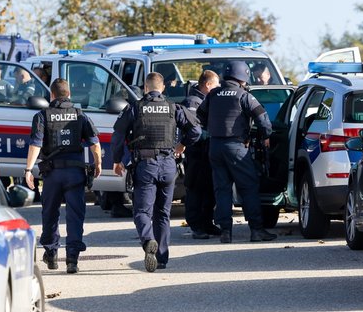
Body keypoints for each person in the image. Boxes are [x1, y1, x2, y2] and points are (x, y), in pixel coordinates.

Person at [112, 72, 200, 272]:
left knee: (142, 211)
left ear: (145, 88)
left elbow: (118, 135)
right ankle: (161, 258)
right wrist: (181, 145)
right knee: (163, 214)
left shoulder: (135, 108)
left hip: (145, 165)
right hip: (169, 165)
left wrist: (118, 160)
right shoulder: (174, 108)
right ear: (163, 89)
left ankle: (148, 240)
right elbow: (195, 130)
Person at [25, 78, 102, 274]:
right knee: (75, 215)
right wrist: (98, 163)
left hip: (52, 174)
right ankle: (72, 259)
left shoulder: (42, 116)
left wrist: (28, 170)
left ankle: (51, 254)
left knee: (50, 213)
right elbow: (94, 143)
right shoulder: (80, 115)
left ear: (51, 95)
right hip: (75, 174)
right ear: (69, 95)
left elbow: (36, 144)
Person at [197, 60, 276, 243]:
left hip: (215, 148)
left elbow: (200, 116)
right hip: (237, 148)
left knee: (222, 190)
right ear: (243, 75)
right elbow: (263, 119)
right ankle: (256, 230)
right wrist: (266, 136)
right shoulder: (244, 96)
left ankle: (225, 232)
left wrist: (212, 129)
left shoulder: (213, 94)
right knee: (248, 187)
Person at [180, 70, 221, 239]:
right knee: (196, 190)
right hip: (196, 152)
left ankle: (207, 223)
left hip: (207, 152)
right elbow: (192, 129)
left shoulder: (207, 100)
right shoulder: (192, 102)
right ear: (208, 85)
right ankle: (196, 225)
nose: (219, 88)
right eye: (217, 85)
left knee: (208, 190)